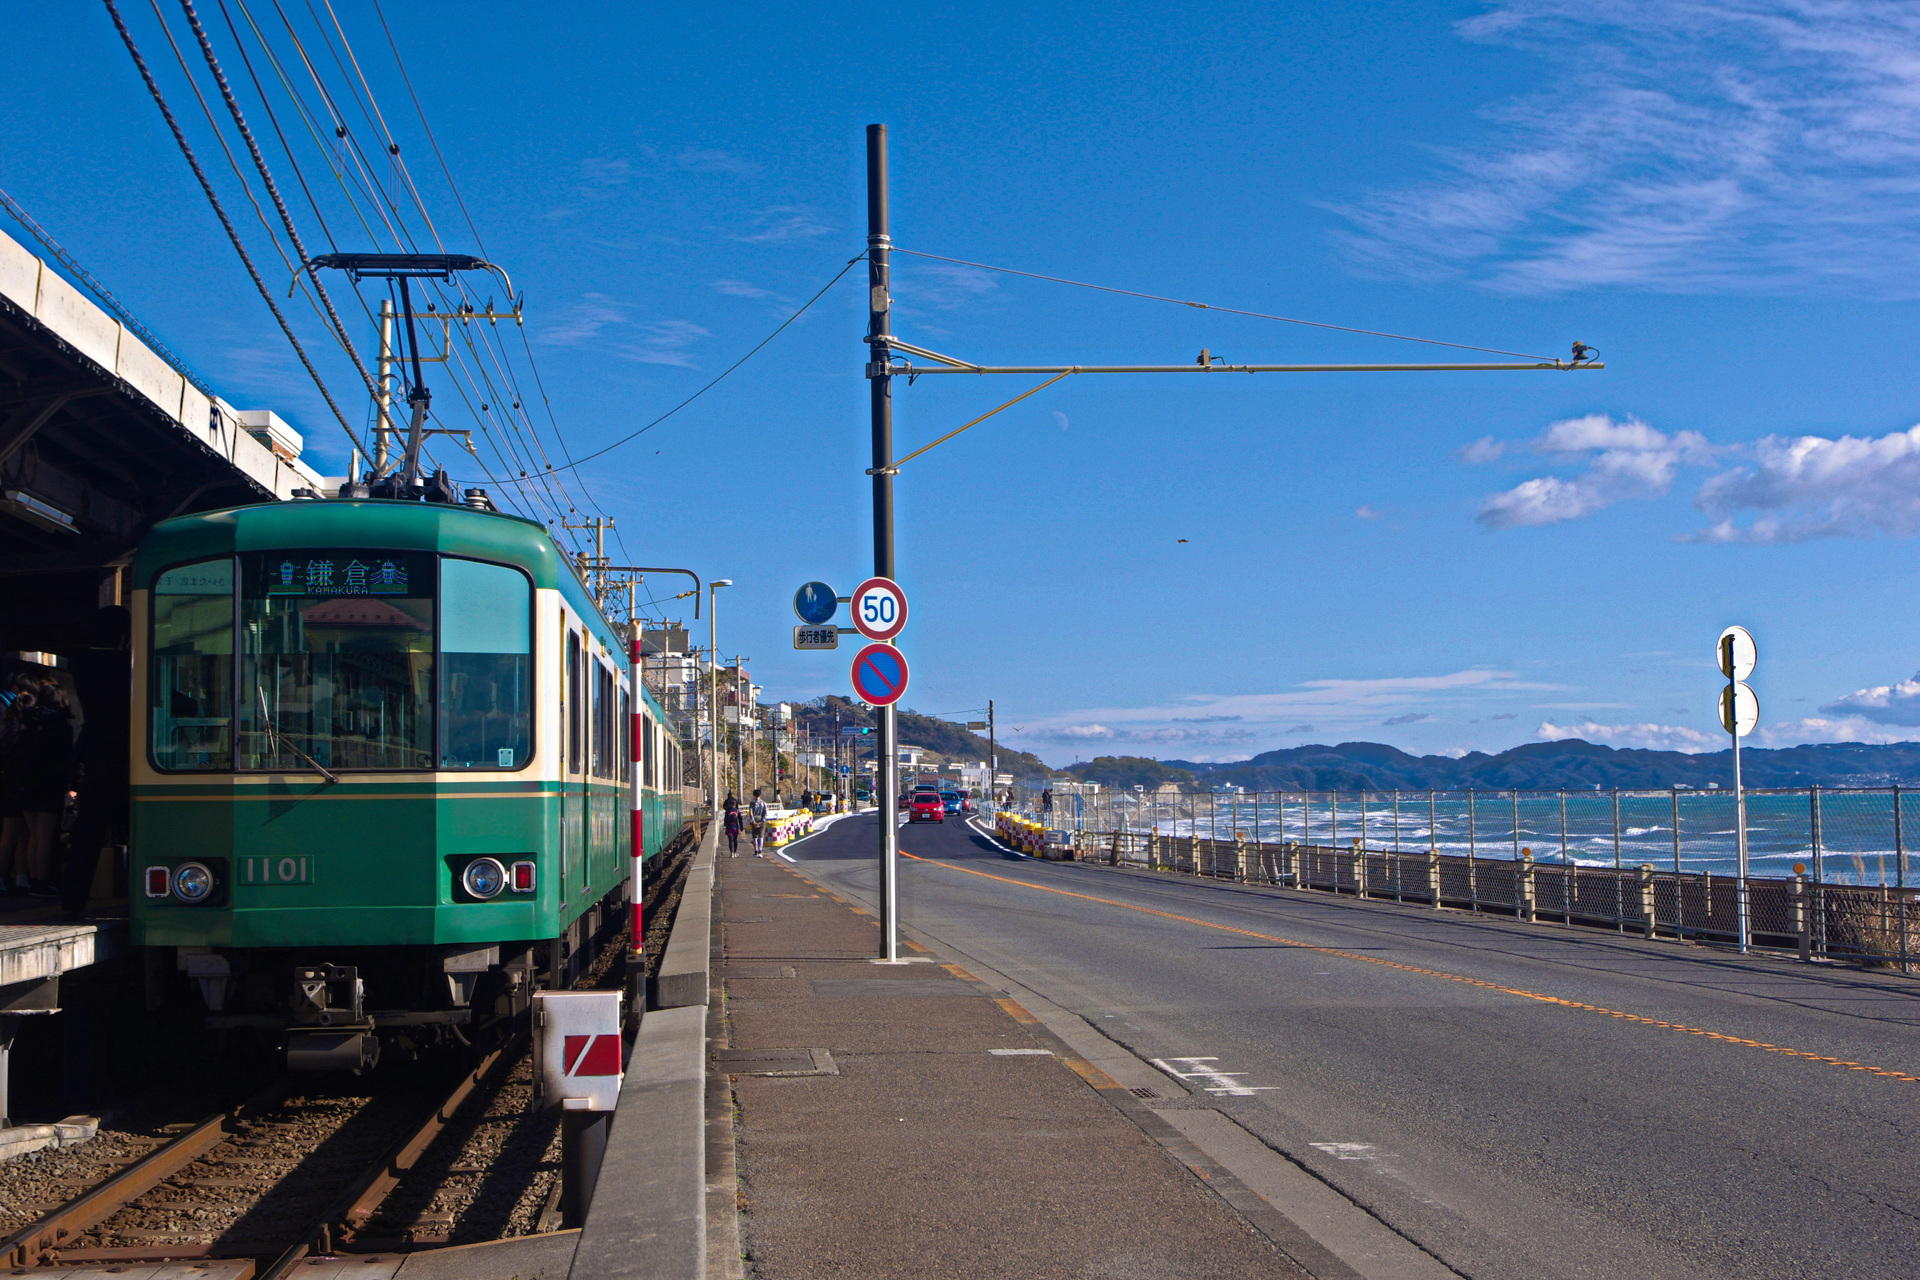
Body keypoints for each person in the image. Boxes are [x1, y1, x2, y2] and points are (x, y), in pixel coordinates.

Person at [64, 607, 131, 919]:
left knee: (88, 832)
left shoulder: (81, 662)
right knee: (137, 828)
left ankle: (72, 904)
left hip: (96, 753)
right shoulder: (126, 664)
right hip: (131, 754)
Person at [16, 679, 73, 896]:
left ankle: (32, 880)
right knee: (46, 836)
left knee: (33, 836)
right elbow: (63, 758)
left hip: (26, 784)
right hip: (48, 784)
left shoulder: (29, 722)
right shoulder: (60, 726)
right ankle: (43, 880)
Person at [749, 788, 768, 855]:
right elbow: (765, 813)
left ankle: (756, 850)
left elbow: (751, 813)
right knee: (761, 835)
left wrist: (753, 821)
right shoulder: (764, 803)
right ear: (760, 795)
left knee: (755, 836)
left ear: (754, 795)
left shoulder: (752, 803)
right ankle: (760, 850)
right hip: (761, 821)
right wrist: (762, 821)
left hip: (754, 821)